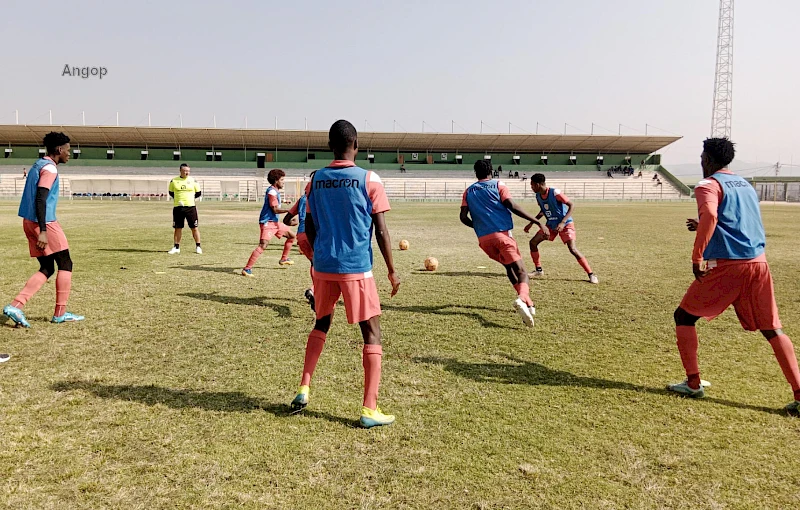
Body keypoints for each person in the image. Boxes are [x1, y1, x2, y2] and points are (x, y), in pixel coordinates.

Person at [667, 138, 800, 415]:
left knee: (684, 316)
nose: (701, 161)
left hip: (729, 267)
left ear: (708, 160)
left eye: (702, 156)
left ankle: (693, 383)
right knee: (772, 328)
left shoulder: (706, 185)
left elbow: (712, 215)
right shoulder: (745, 186)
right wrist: (703, 225)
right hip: (759, 264)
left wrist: (697, 256)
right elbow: (736, 222)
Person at [290, 120, 400, 428]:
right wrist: (392, 271)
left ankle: (303, 388)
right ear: (357, 145)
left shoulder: (315, 180)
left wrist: (320, 256)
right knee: (372, 332)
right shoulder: (369, 179)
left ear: (330, 146)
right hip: (356, 268)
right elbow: (381, 229)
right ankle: (369, 409)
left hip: (323, 266)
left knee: (321, 322)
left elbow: (309, 227)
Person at [3, 132, 84, 327]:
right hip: (44, 223)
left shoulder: (38, 164)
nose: (69, 153)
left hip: (29, 221)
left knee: (47, 268)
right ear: (59, 150)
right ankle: (60, 313)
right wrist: (43, 230)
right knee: (66, 263)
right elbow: (41, 198)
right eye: (67, 149)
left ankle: (16, 305)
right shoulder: (50, 169)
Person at [460, 160, 540, 327]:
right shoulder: (498, 184)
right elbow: (511, 205)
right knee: (522, 271)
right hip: (502, 236)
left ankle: (529, 304)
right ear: (492, 171)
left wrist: (479, 226)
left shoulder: (468, 191)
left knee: (509, 268)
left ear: (475, 173)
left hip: (484, 241)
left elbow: (463, 217)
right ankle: (522, 298)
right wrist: (537, 221)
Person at [526, 173, 599, 284]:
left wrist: (563, 222)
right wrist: (531, 223)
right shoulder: (538, 196)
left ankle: (591, 274)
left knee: (572, 249)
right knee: (533, 243)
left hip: (565, 224)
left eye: (532, 185)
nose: (531, 188)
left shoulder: (555, 193)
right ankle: (538, 270)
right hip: (551, 225)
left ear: (537, 184)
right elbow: (543, 211)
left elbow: (571, 205)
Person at [241, 169, 296, 275]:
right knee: (263, 245)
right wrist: (289, 210)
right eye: (282, 179)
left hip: (275, 222)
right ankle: (247, 269)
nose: (283, 182)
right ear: (276, 180)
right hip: (268, 222)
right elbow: (275, 209)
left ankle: (284, 259)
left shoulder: (274, 190)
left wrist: (283, 201)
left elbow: (275, 200)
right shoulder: (272, 192)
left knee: (292, 236)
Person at [283, 190, 315, 310]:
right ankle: (314, 290)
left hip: (301, 235)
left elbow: (286, 220)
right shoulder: (321, 194)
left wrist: (298, 221)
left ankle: (316, 291)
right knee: (325, 266)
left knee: (314, 263)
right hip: (315, 233)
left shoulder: (302, 198)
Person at [168, 164, 202, 254]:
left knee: (194, 227)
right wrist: (179, 199)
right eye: (185, 171)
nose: (186, 173)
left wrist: (189, 199)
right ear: (180, 171)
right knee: (177, 227)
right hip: (178, 208)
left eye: (188, 171)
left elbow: (198, 193)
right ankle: (176, 247)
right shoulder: (174, 181)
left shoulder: (193, 181)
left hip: (190, 207)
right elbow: (171, 192)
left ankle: (198, 246)